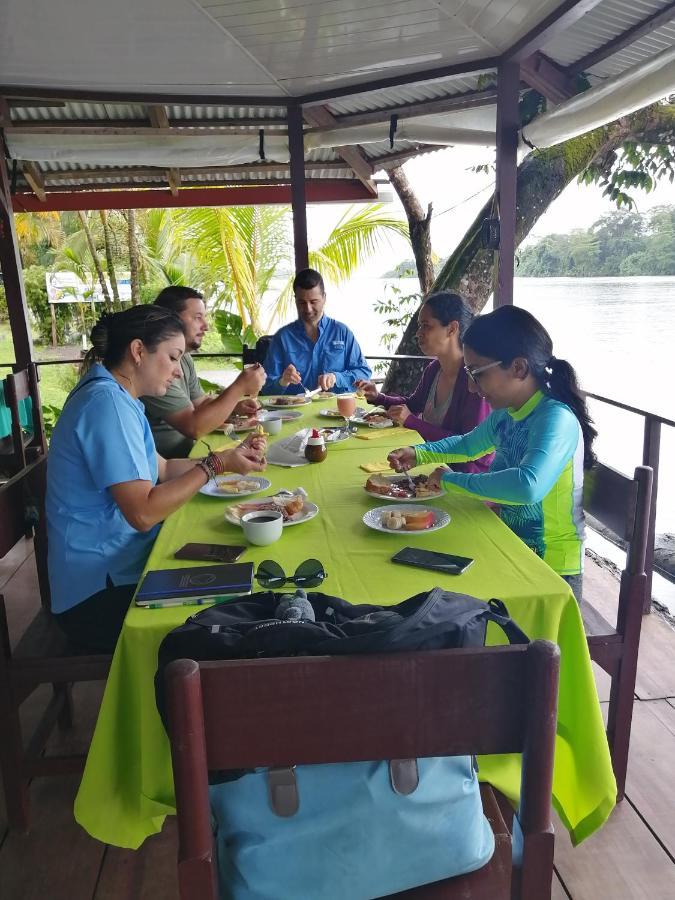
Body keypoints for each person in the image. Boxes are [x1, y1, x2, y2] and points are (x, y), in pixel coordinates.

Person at [46, 305, 266, 653]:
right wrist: (213, 467)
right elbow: (144, 514)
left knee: (245, 572)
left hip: (119, 567)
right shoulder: (106, 405)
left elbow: (160, 470)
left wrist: (228, 459)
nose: (178, 372)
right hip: (98, 594)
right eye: (173, 357)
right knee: (238, 616)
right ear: (137, 351)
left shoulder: (119, 397)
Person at [388, 305, 597, 601]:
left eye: (477, 374)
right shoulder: (508, 413)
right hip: (507, 543)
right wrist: (418, 453)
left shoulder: (555, 418)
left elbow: (526, 486)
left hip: (550, 570)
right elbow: (466, 445)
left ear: (519, 368)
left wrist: (450, 482)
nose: (472, 388)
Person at [355, 292, 492, 473]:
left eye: (426, 326)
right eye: (420, 326)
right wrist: (378, 397)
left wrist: (412, 421)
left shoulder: (474, 382)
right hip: (432, 465)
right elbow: (413, 404)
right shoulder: (434, 368)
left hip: (463, 477)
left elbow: (470, 447)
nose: (418, 333)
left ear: (451, 329)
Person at [141, 286, 266, 457]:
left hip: (187, 455)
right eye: (198, 317)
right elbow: (194, 427)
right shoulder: (155, 366)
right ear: (172, 319)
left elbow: (201, 404)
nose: (206, 326)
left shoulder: (183, 358)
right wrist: (239, 387)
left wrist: (235, 407)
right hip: (172, 464)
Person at [260, 268, 371, 394]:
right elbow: (266, 388)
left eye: (313, 302)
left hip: (335, 410)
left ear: (324, 298)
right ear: (295, 300)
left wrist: (337, 377)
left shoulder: (342, 332)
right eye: (302, 302)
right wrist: (282, 381)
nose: (308, 309)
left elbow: (364, 373)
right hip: (292, 412)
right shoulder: (282, 337)